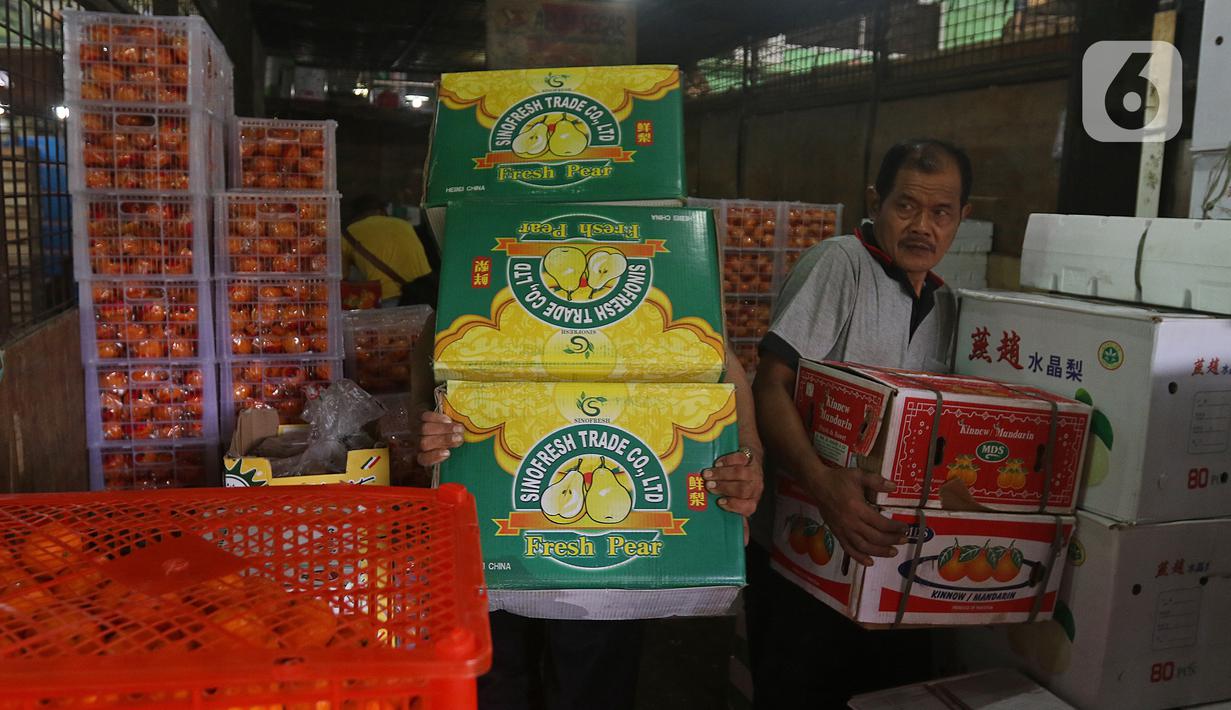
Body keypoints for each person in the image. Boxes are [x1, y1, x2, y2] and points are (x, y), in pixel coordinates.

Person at [409, 312, 764, 710]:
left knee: (593, 673)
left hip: (604, 539)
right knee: (494, 676)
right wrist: (427, 428)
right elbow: (427, 376)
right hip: (491, 506)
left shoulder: (644, 264)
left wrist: (746, 456)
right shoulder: (483, 261)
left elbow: (719, 363)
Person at [747, 138, 973, 708]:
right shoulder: (840, 263)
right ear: (877, 201)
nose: (922, 226)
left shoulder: (944, 305)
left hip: (887, 559)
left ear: (961, 218)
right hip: (805, 551)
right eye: (906, 206)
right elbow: (771, 384)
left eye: (941, 213)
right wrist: (824, 486)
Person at [342, 193, 435, 308]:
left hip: (389, 299)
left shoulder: (349, 234)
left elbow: (341, 280)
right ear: (382, 211)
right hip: (425, 294)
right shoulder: (405, 225)